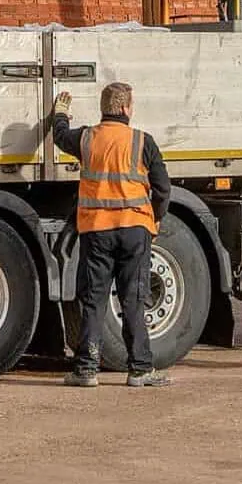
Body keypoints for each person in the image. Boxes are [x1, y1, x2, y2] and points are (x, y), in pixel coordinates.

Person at [50, 81, 173, 388]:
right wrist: (153, 220)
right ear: (124, 109)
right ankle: (140, 369)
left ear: (105, 108)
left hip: (96, 230)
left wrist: (60, 114)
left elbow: (61, 137)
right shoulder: (142, 142)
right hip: (134, 229)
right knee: (133, 298)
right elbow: (163, 189)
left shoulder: (87, 138)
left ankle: (87, 370)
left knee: (94, 300)